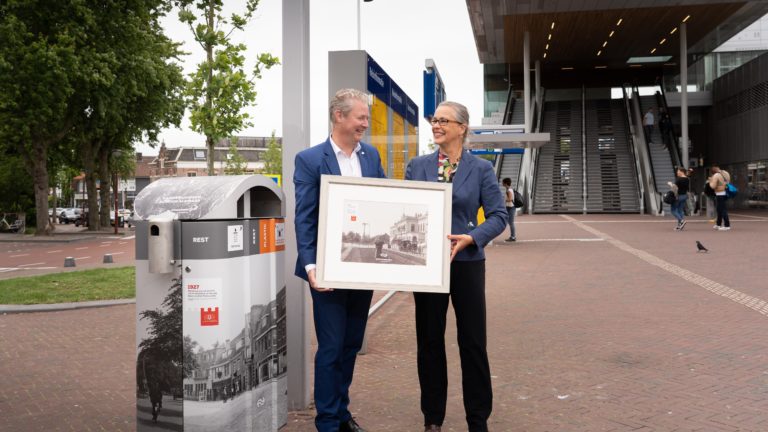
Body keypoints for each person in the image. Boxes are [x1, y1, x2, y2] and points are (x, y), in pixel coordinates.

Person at [405, 101, 507, 432]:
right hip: (427, 266)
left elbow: (498, 216)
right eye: (434, 120)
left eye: (443, 120)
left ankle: (478, 419)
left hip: (466, 264)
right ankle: (432, 418)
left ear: (462, 127)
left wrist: (472, 237)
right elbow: (403, 210)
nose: (436, 125)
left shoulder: (481, 169)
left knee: (473, 342)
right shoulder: (416, 166)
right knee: (430, 342)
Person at [294, 88, 387, 432]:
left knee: (350, 344)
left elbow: (380, 205)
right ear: (339, 116)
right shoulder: (310, 159)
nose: (365, 123)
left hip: (361, 271)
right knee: (331, 347)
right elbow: (304, 217)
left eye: (365, 118)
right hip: (327, 271)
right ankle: (328, 422)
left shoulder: (371, 156)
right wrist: (310, 266)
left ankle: (341, 412)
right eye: (361, 117)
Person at [709, 165, 731, 231]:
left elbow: (713, 186)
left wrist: (710, 181)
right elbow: (728, 181)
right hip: (724, 192)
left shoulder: (716, 175)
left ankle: (727, 225)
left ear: (713, 172)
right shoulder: (725, 173)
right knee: (719, 209)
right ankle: (718, 224)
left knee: (723, 209)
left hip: (719, 193)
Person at [501, 177, 516, 241]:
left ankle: (513, 237)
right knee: (509, 222)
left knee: (511, 222)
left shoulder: (509, 190)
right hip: (508, 207)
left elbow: (510, 199)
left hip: (511, 207)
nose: (502, 183)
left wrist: (504, 200)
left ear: (506, 183)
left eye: (503, 182)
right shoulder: (509, 189)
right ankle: (512, 236)